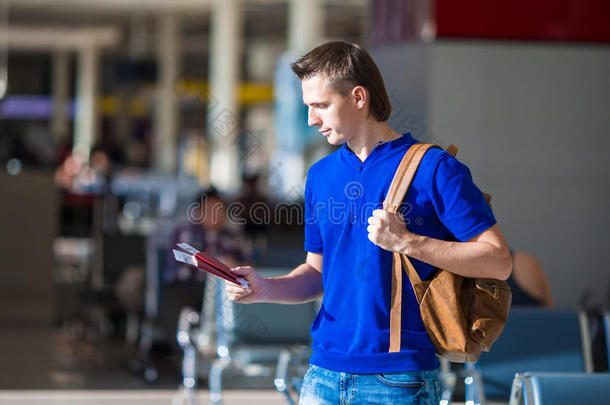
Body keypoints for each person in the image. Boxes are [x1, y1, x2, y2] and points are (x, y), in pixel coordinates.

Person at [225, 41, 512, 404]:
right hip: (322, 376)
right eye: (308, 107)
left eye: (321, 105)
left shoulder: (435, 168)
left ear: (359, 97)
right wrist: (264, 289)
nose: (312, 119)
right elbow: (317, 273)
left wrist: (408, 242)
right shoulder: (320, 176)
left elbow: (498, 261)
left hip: (399, 381)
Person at [158, 186, 248, 353]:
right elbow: (184, 267)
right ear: (198, 212)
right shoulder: (185, 232)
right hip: (188, 286)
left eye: (219, 210)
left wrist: (235, 268)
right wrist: (220, 265)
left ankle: (230, 351)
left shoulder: (232, 237)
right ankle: (185, 356)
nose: (216, 215)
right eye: (210, 210)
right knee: (178, 302)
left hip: (222, 290)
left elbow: (248, 269)